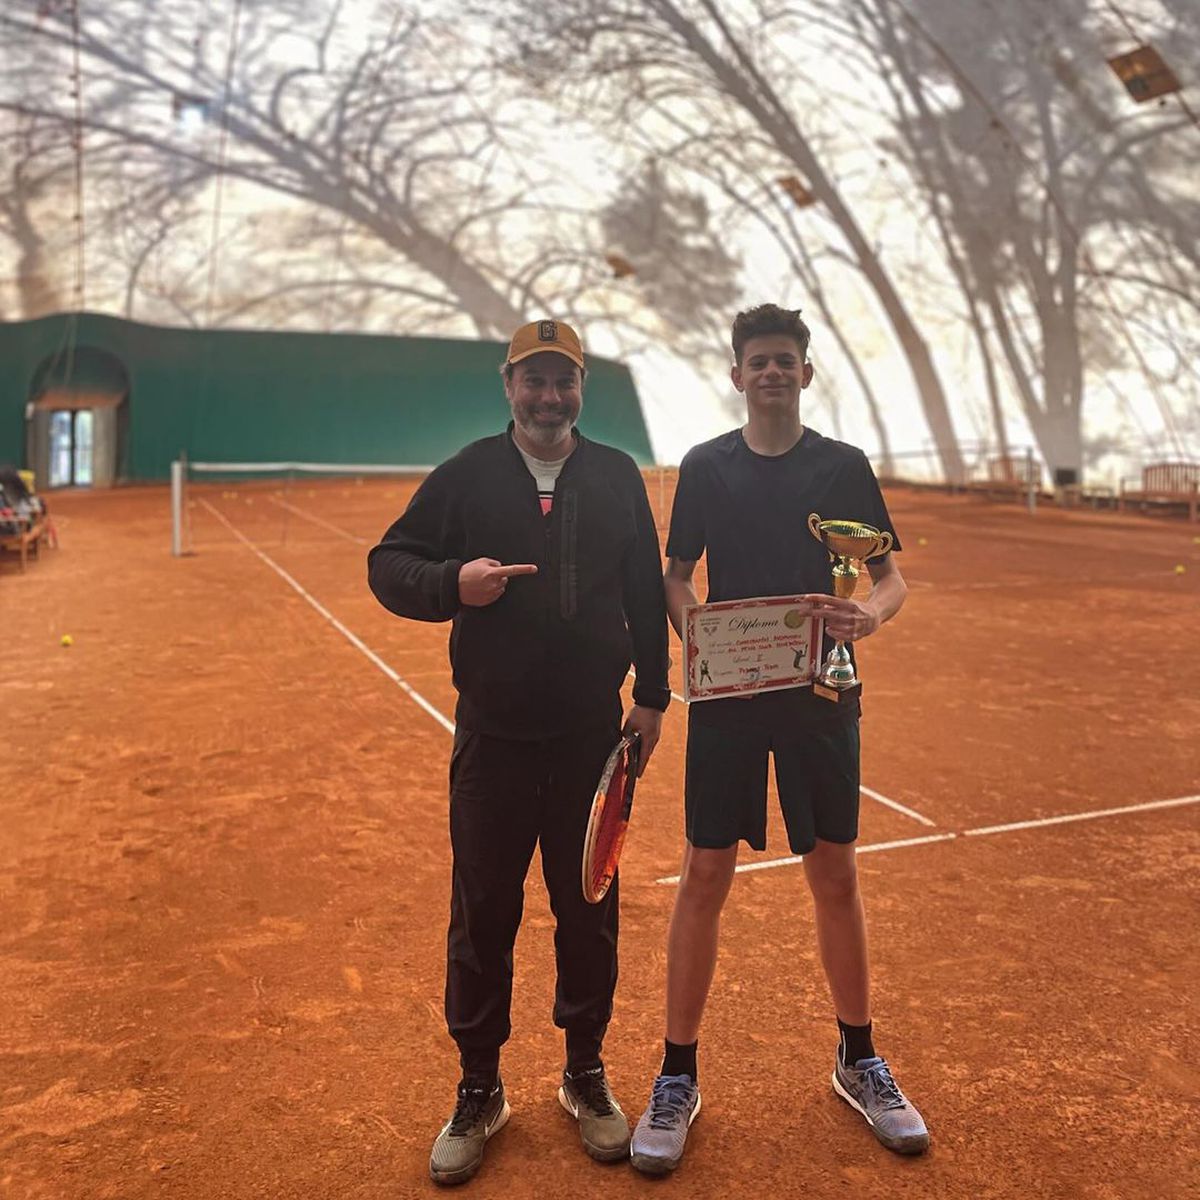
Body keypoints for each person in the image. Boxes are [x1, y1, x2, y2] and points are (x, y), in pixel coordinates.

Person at [367, 318, 670, 1186]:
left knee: (588, 911)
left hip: (589, 742)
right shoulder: (466, 475)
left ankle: (583, 1073)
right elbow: (389, 562)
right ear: (508, 386)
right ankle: (479, 1088)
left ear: (581, 391)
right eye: (533, 381)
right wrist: (450, 584)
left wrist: (652, 694)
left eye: (564, 381)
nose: (549, 397)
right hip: (492, 743)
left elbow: (646, 593)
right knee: (483, 914)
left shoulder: (614, 476)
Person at [629, 304, 929, 1174]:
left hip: (821, 694)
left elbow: (890, 578)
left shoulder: (844, 468)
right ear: (736, 375)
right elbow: (677, 579)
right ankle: (677, 1074)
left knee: (834, 872)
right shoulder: (705, 467)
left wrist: (866, 615)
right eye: (755, 360)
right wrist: (698, 634)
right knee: (705, 872)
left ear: (806, 372)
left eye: (784, 360)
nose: (769, 372)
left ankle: (858, 1058)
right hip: (729, 699)